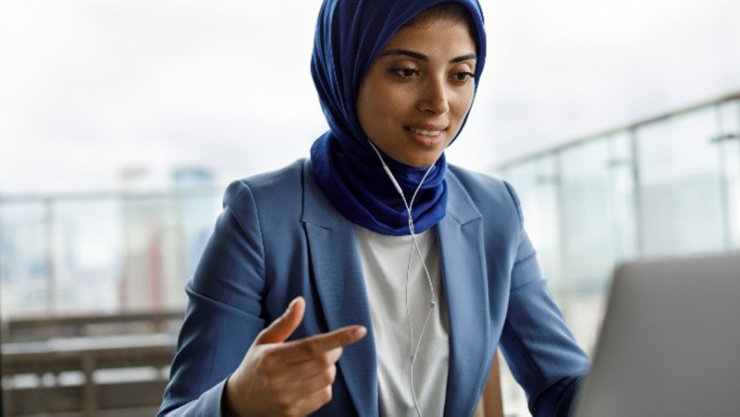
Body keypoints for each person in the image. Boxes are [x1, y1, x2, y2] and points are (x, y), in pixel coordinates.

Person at [157, 0, 590, 416]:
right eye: (406, 71)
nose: (438, 103)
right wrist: (236, 404)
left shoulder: (495, 211)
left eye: (460, 75)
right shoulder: (260, 218)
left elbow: (561, 384)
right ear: (347, 72)